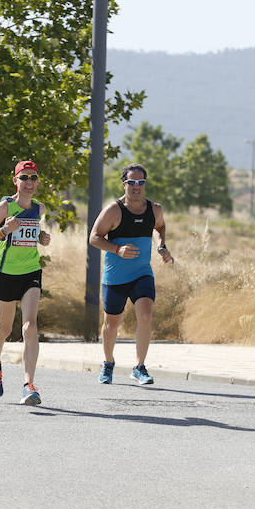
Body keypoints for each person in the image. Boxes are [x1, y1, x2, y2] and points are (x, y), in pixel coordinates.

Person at [88, 163, 174, 386]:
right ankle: (108, 363)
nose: (137, 187)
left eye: (141, 182)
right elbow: (94, 237)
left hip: (142, 273)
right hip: (115, 277)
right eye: (132, 182)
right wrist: (118, 249)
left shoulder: (155, 209)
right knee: (111, 324)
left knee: (145, 316)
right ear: (124, 184)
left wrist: (162, 247)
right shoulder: (113, 211)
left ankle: (139, 367)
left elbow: (160, 227)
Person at [0, 160, 51, 406]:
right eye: (24, 178)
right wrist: (3, 230)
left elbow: (35, 235)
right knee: (5, 329)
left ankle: (29, 385)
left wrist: (42, 237)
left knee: (30, 326)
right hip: (5, 274)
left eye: (33, 178)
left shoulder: (40, 209)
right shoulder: (5, 207)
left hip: (30, 271)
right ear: (15, 181)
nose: (29, 183)